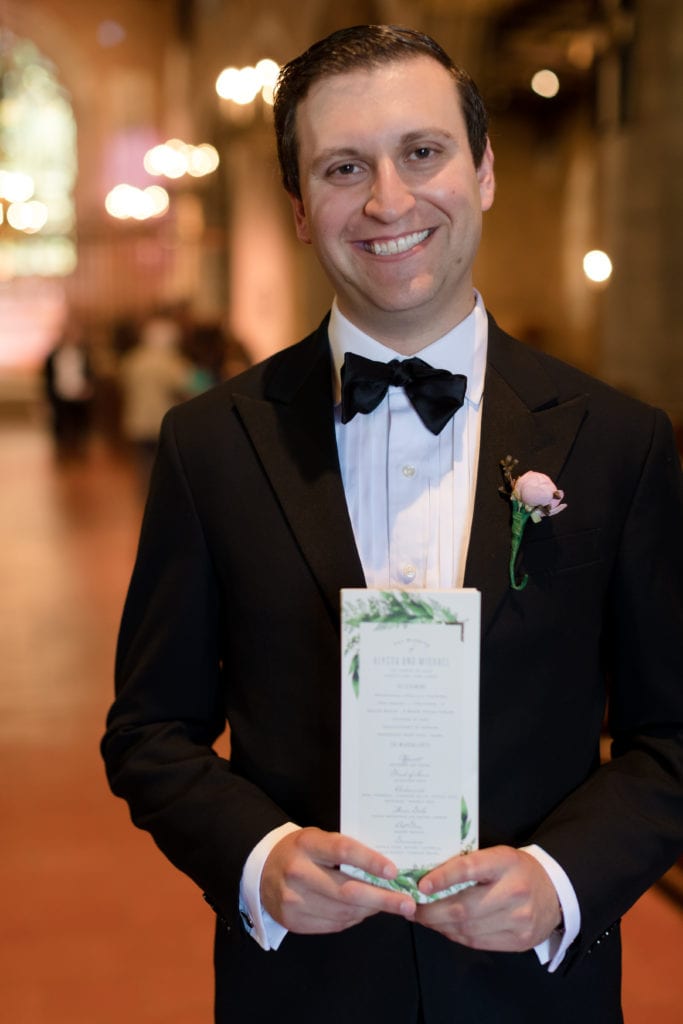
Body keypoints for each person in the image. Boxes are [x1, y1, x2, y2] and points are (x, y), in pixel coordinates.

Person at [101, 25, 683, 1024]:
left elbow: (669, 732)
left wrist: (560, 878)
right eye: (341, 167)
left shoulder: (619, 443)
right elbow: (150, 730)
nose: (386, 200)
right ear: (296, 208)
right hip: (300, 992)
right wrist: (258, 858)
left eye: (422, 152)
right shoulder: (209, 444)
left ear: (484, 170)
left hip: (537, 994)